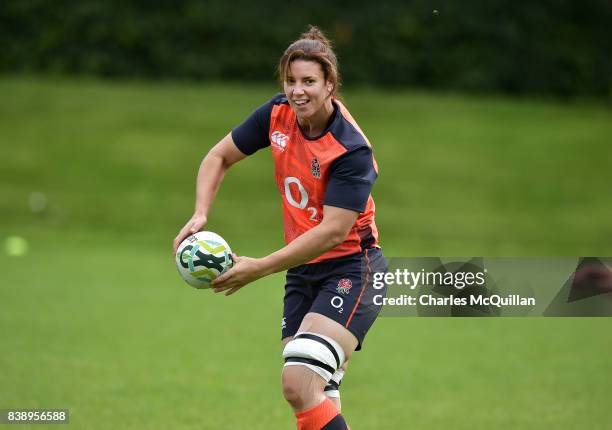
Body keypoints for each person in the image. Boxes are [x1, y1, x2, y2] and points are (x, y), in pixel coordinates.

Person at [173, 26, 387, 430]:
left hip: (354, 271)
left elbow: (332, 233)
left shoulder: (351, 150)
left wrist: (260, 267)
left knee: (298, 380)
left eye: (309, 81)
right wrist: (200, 214)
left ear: (330, 85)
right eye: (291, 80)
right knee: (307, 393)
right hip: (304, 272)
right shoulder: (278, 115)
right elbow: (218, 156)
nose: (297, 91)